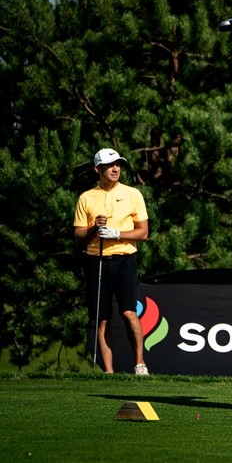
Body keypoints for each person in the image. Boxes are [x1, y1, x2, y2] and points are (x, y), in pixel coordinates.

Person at [73, 148, 150, 375]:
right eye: (109, 165)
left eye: (118, 164)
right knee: (102, 318)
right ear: (98, 169)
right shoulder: (86, 198)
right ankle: (109, 371)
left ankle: (140, 364)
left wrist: (118, 234)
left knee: (129, 313)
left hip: (125, 259)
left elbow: (143, 232)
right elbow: (78, 237)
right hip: (96, 260)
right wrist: (94, 228)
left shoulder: (133, 194)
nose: (115, 169)